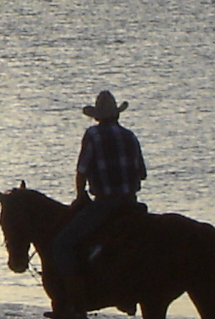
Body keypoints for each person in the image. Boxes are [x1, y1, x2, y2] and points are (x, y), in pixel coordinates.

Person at [53, 89, 147, 285]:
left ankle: (74, 295)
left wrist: (80, 196)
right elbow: (142, 173)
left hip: (105, 204)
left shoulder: (93, 135)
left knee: (63, 245)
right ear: (117, 114)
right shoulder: (130, 136)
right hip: (131, 203)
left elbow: (82, 171)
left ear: (96, 117)